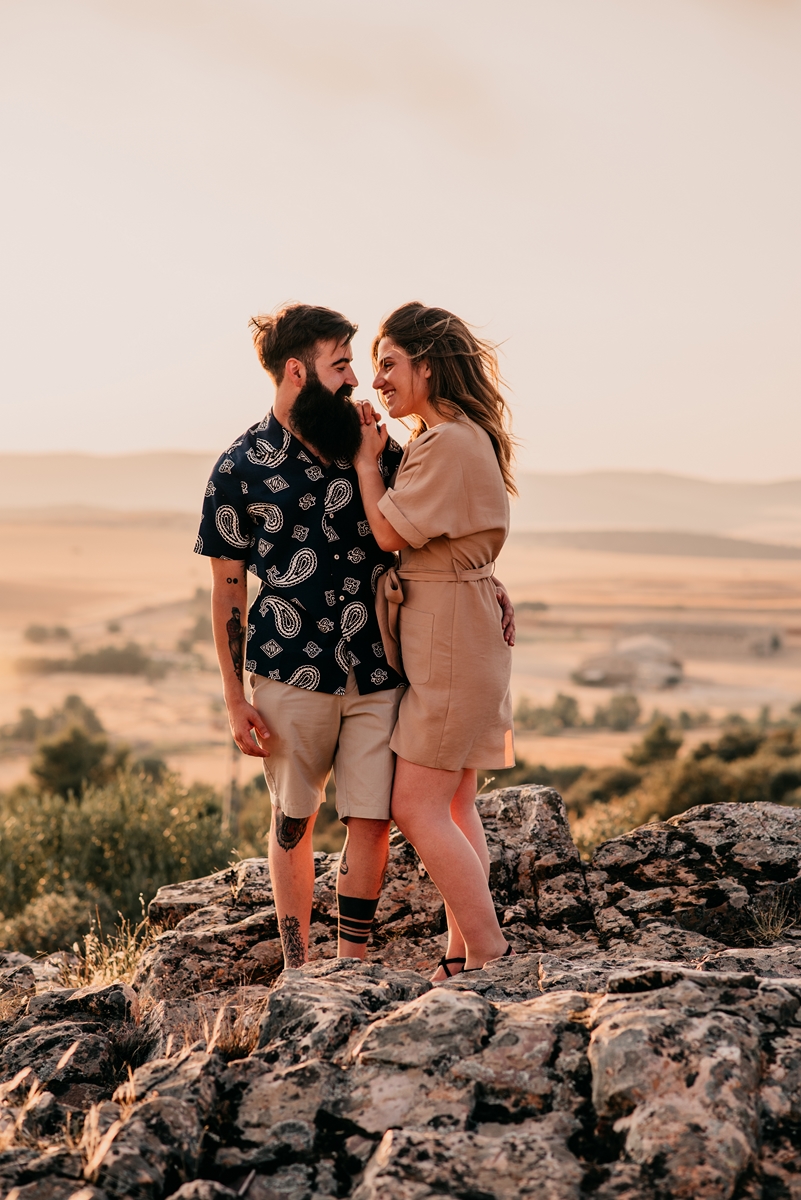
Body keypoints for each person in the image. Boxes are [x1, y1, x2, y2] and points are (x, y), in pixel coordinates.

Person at [196, 302, 516, 971]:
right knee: (293, 819)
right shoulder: (238, 468)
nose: (355, 380)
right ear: (296, 371)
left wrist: (486, 581)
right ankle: (298, 970)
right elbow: (228, 589)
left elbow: (436, 519)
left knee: (373, 819)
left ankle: (352, 968)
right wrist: (234, 697)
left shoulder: (374, 447)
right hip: (289, 668)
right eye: (341, 365)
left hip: (377, 664)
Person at [353, 301, 517, 979]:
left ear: (427, 364)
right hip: (464, 625)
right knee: (453, 801)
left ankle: (488, 951)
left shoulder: (447, 441)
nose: (378, 380)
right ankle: (461, 954)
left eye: (388, 364)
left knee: (414, 804)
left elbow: (389, 532)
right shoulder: (458, 436)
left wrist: (367, 462)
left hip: (450, 636)